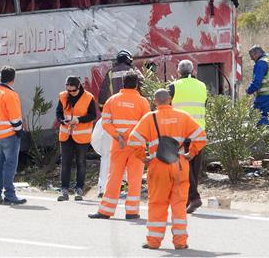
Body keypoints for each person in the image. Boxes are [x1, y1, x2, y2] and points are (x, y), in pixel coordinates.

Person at [129, 89, 206, 250]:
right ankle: (180, 242)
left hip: (158, 165)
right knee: (179, 205)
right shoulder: (182, 116)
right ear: (170, 99)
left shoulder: (149, 118)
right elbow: (201, 136)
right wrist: (190, 154)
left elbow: (134, 140)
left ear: (155, 101)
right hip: (179, 164)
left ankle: (154, 242)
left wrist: (143, 157)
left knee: (157, 203)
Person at [88, 71, 149, 219]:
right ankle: (132, 212)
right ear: (136, 85)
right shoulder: (142, 102)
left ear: (122, 83)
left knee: (114, 176)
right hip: (137, 145)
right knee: (135, 178)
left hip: (118, 145)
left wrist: (118, 136)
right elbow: (146, 124)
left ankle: (105, 211)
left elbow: (106, 122)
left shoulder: (112, 100)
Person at [168, 60, 207, 214]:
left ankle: (194, 197)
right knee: (194, 168)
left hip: (181, 132)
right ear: (193, 70)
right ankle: (189, 200)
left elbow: (166, 106)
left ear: (178, 72)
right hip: (199, 131)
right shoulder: (202, 86)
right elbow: (205, 104)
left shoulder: (173, 86)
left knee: (184, 167)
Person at [0, 66, 26, 205]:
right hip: (9, 135)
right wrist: (19, 130)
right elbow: (15, 117)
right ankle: (9, 195)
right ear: (13, 79)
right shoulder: (11, 95)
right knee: (10, 165)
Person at [56, 76, 96, 201]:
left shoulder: (88, 97)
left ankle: (79, 189)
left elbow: (93, 115)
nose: (71, 93)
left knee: (81, 163)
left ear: (79, 87)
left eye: (73, 91)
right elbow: (58, 112)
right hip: (66, 134)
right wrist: (62, 120)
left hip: (82, 136)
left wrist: (78, 120)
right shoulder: (63, 96)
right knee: (65, 163)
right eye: (69, 91)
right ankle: (64, 189)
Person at [245, 45, 269, 126]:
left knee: (258, 116)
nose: (251, 59)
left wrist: (248, 90)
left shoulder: (261, 63)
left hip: (266, 97)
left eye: (252, 56)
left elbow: (256, 82)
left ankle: (264, 137)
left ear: (256, 54)